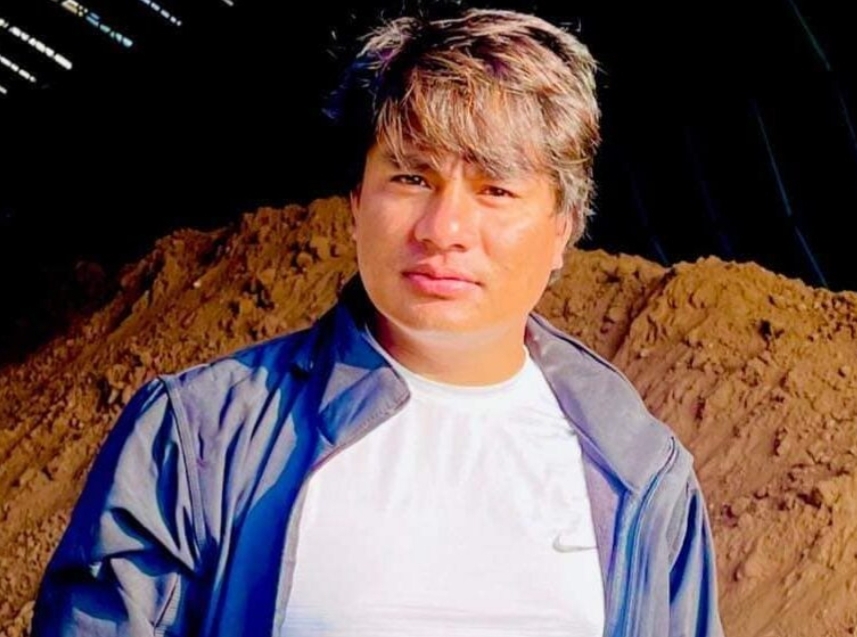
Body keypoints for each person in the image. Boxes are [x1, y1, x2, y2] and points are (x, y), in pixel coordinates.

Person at [32, 6, 725, 637]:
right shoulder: (199, 440)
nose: (444, 229)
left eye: (495, 189)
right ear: (358, 201)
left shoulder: (637, 472)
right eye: (412, 179)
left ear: (562, 230)